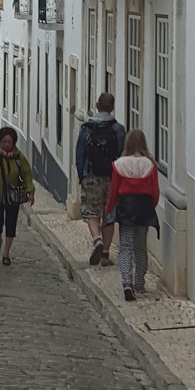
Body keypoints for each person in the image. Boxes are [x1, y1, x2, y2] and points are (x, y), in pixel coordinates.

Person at [105, 128, 160, 301]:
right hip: (143, 209)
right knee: (140, 247)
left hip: (126, 209)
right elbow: (155, 192)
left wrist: (109, 209)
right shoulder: (150, 164)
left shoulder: (120, 164)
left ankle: (127, 282)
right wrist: (150, 207)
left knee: (126, 246)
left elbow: (114, 191)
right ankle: (139, 282)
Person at [75, 92, 125, 267]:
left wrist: (82, 177)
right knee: (109, 214)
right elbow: (120, 155)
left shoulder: (87, 128)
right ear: (112, 107)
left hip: (91, 176)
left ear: (97, 106)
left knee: (92, 212)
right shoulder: (118, 129)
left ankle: (97, 239)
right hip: (111, 177)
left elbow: (80, 155)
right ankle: (105, 254)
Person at [0, 127, 35, 266]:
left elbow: (26, 173)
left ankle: (6, 253)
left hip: (13, 197)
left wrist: (30, 191)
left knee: (11, 224)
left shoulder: (18, 157)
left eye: (9, 142)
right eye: (4, 142)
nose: (7, 145)